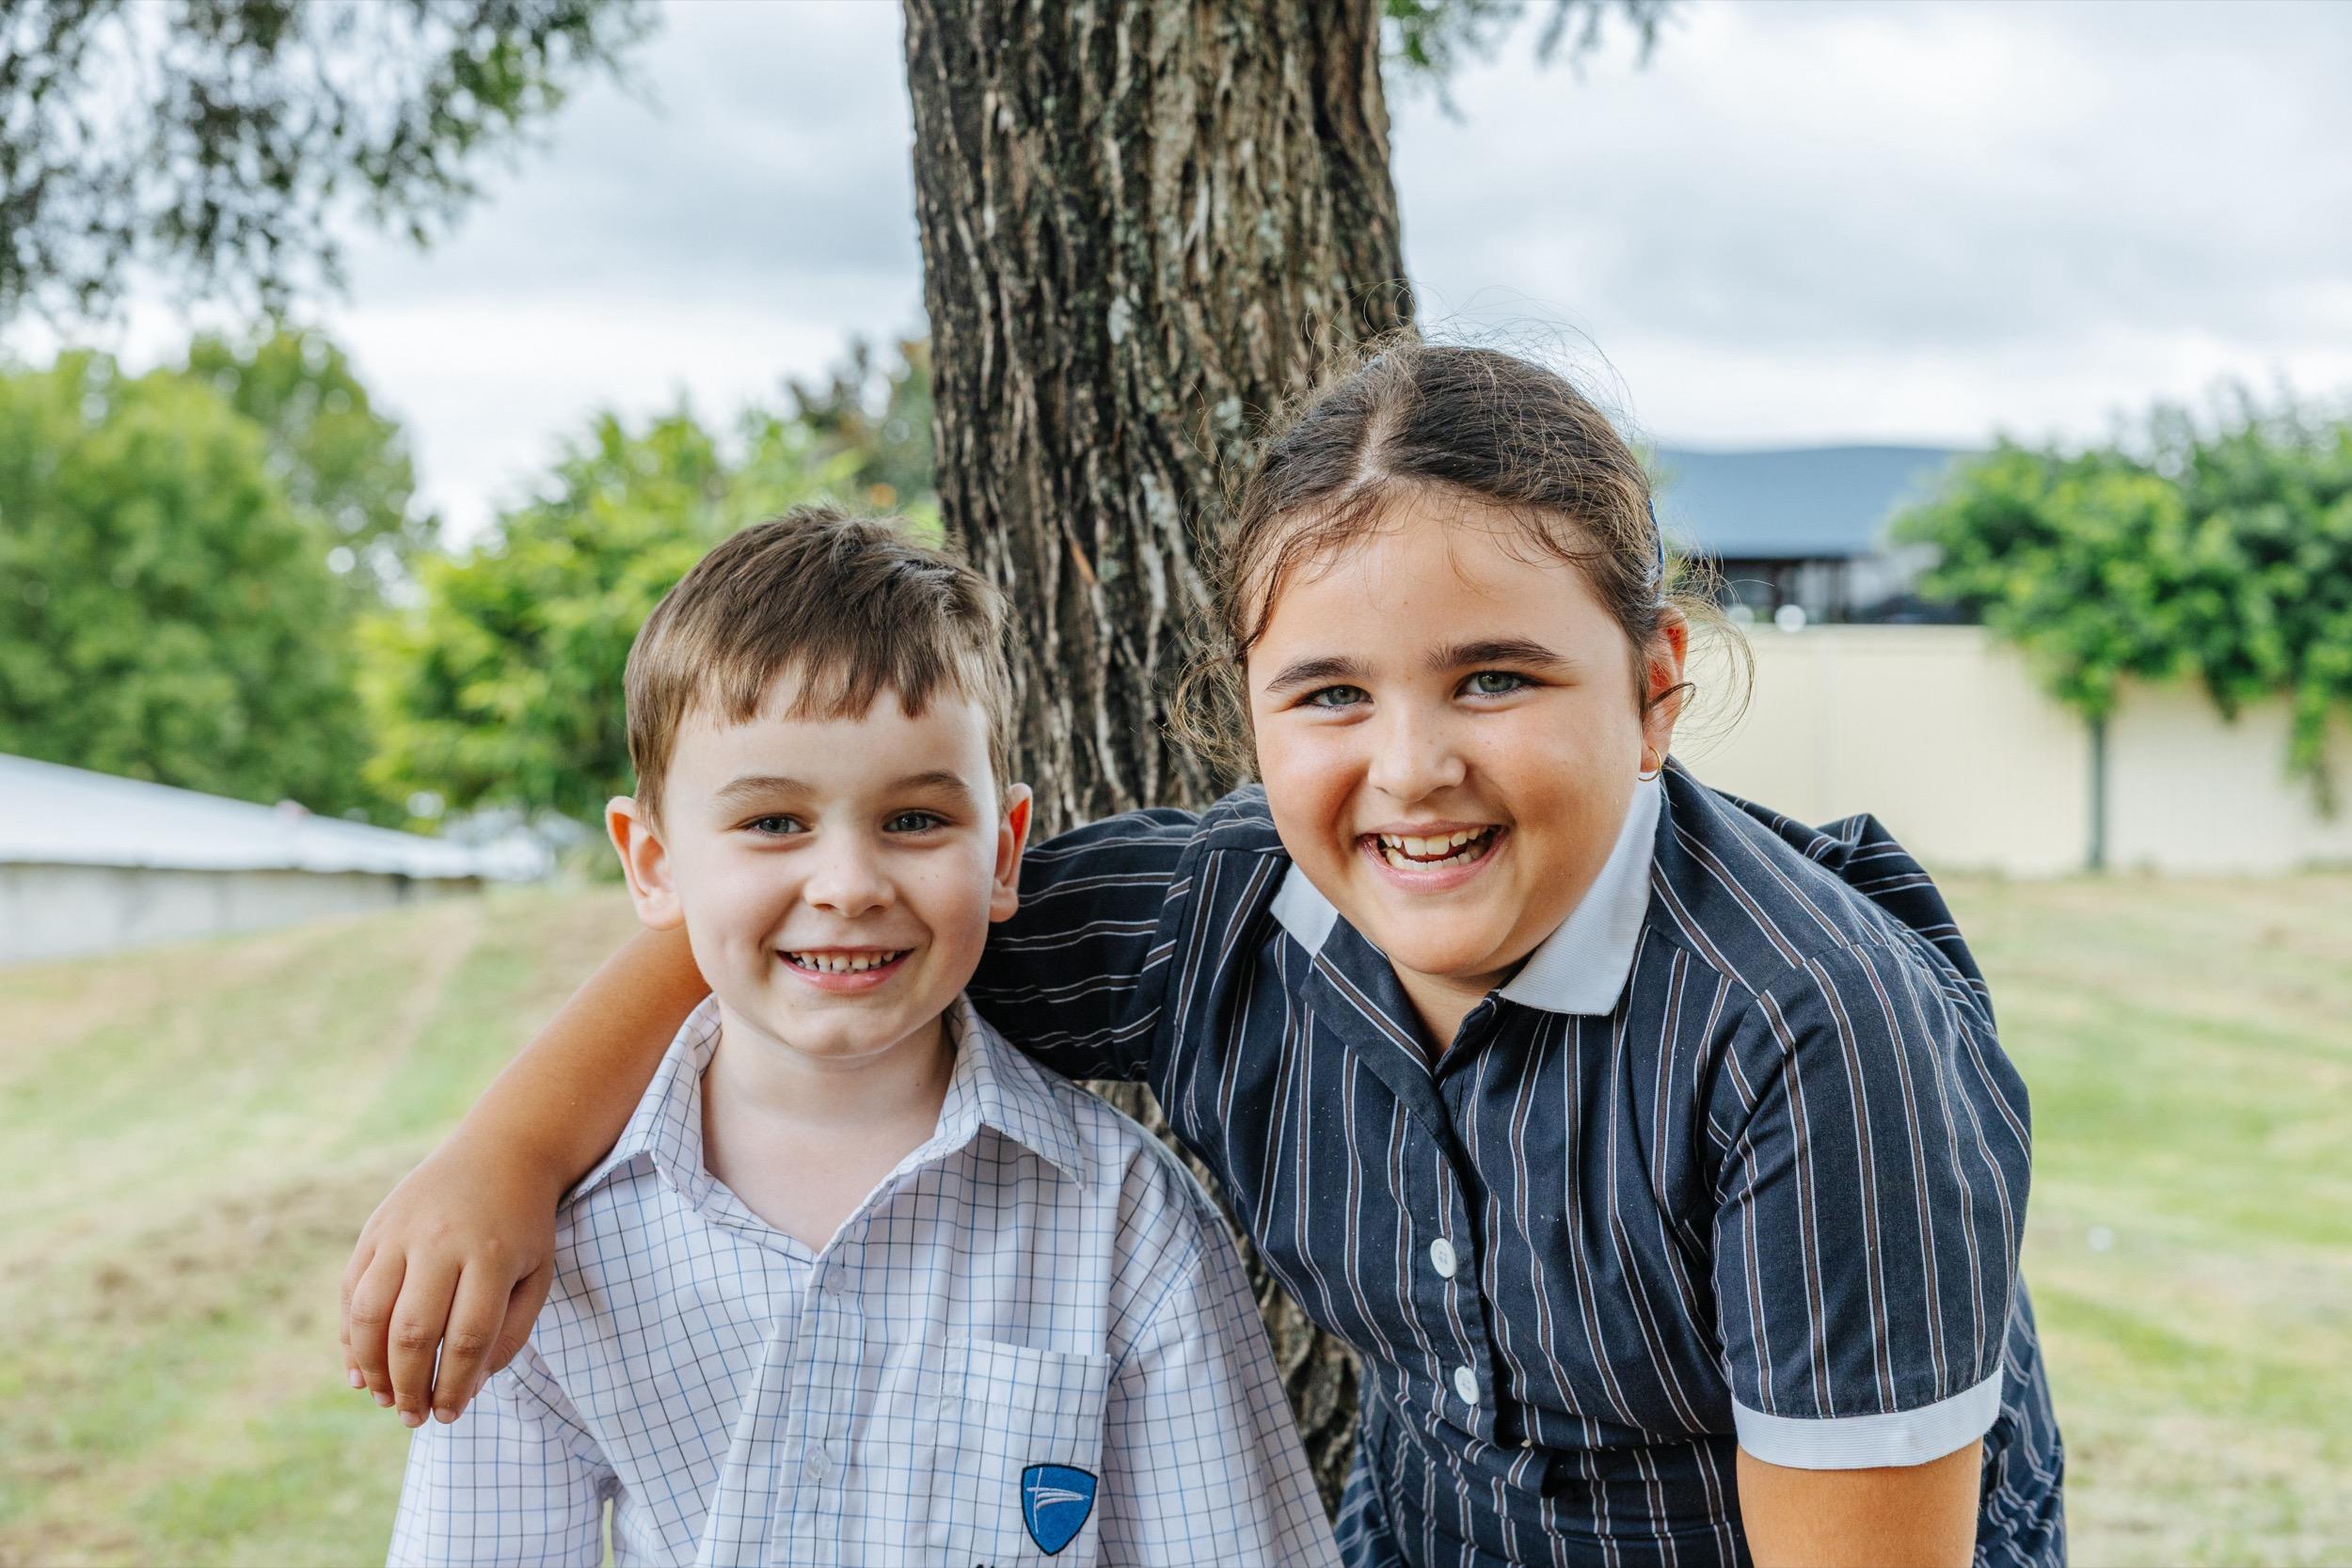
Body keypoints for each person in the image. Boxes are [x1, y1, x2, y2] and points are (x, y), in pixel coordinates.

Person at [350, 343, 2065, 1568]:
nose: (1410, 770)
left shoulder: (1813, 1033)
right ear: (1247, 714)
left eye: (1496, 677)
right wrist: (505, 1152)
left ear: (1654, 687)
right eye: (1329, 694)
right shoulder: (1219, 924)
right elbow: (828, 938)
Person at [382, 510, 1339, 1567]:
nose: (846, 885)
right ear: (652, 861)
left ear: (1004, 849)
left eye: (915, 820)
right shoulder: (551, 1246)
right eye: (773, 822)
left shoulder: (1122, 1221)